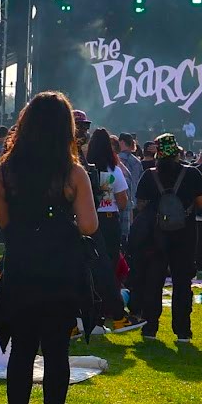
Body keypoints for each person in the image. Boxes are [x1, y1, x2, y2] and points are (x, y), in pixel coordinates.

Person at [0, 90, 96, 404]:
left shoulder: (6, 172)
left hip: (21, 266)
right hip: (60, 269)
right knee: (55, 351)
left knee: (21, 348)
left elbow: (3, 222)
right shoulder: (73, 173)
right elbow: (89, 226)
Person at [133, 137, 202, 342]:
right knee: (182, 283)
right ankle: (182, 330)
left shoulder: (149, 175)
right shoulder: (192, 173)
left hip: (156, 237)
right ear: (177, 152)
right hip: (185, 235)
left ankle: (150, 327)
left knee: (153, 280)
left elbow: (140, 205)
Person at [84, 127, 128, 327]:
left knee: (90, 267)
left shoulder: (85, 169)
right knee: (108, 267)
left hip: (89, 218)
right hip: (109, 220)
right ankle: (109, 311)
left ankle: (93, 312)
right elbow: (123, 201)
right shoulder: (115, 170)